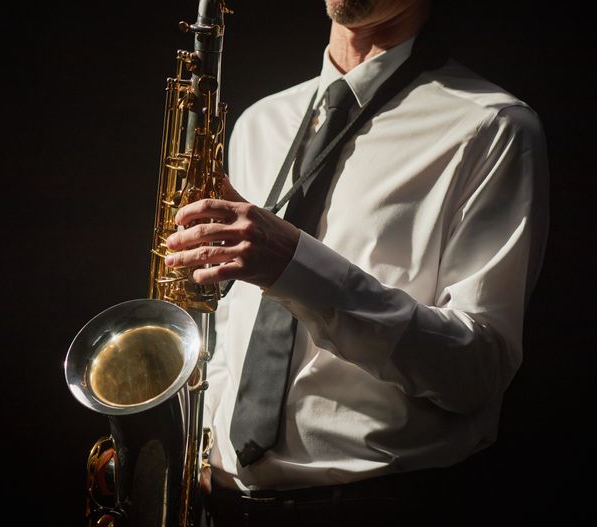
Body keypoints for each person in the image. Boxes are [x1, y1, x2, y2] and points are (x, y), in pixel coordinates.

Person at [163, 0, 549, 524]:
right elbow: (234, 328)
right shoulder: (259, 123)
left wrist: (296, 267)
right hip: (222, 505)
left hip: (378, 506)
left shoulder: (492, 126)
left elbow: (477, 371)